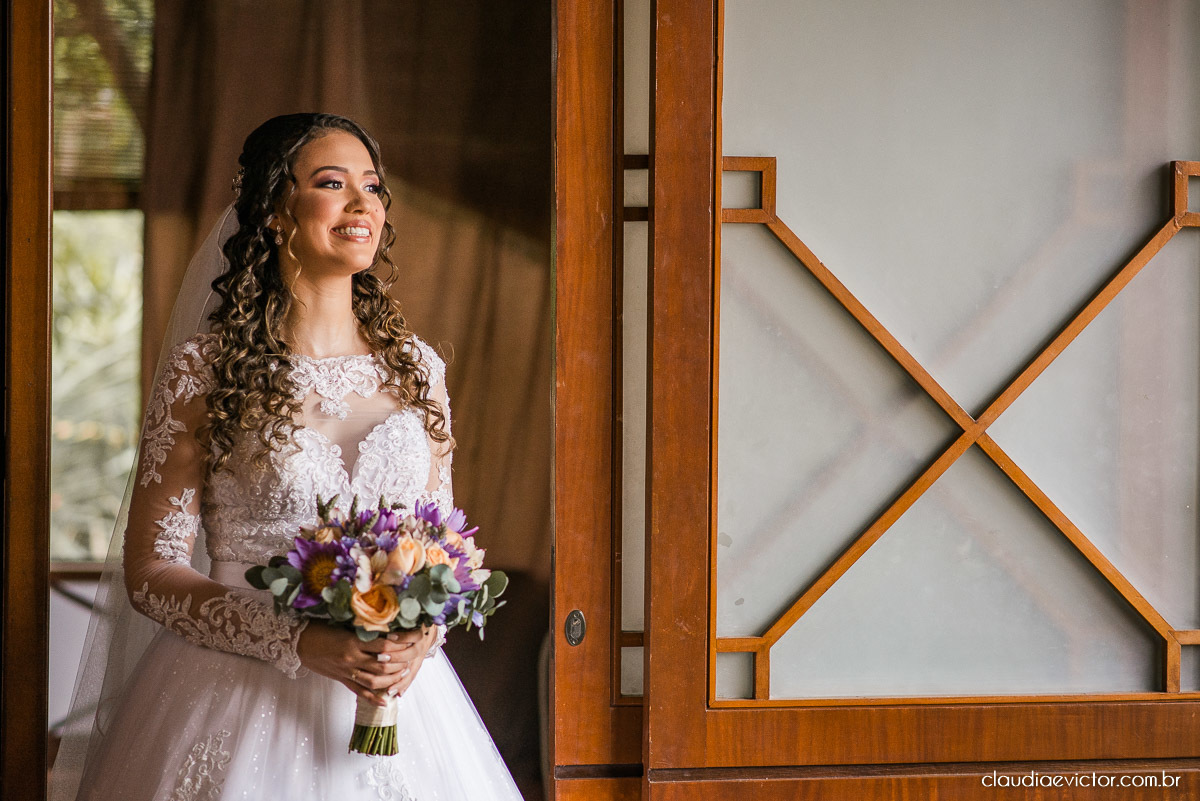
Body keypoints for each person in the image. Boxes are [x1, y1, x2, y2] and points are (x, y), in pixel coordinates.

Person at [52, 113, 524, 800]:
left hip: (404, 708)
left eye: (373, 186)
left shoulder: (418, 369)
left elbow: (441, 546)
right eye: (333, 184)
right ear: (276, 211)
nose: (364, 203)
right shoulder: (206, 373)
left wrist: (414, 640)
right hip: (233, 695)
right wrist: (298, 639)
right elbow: (150, 570)